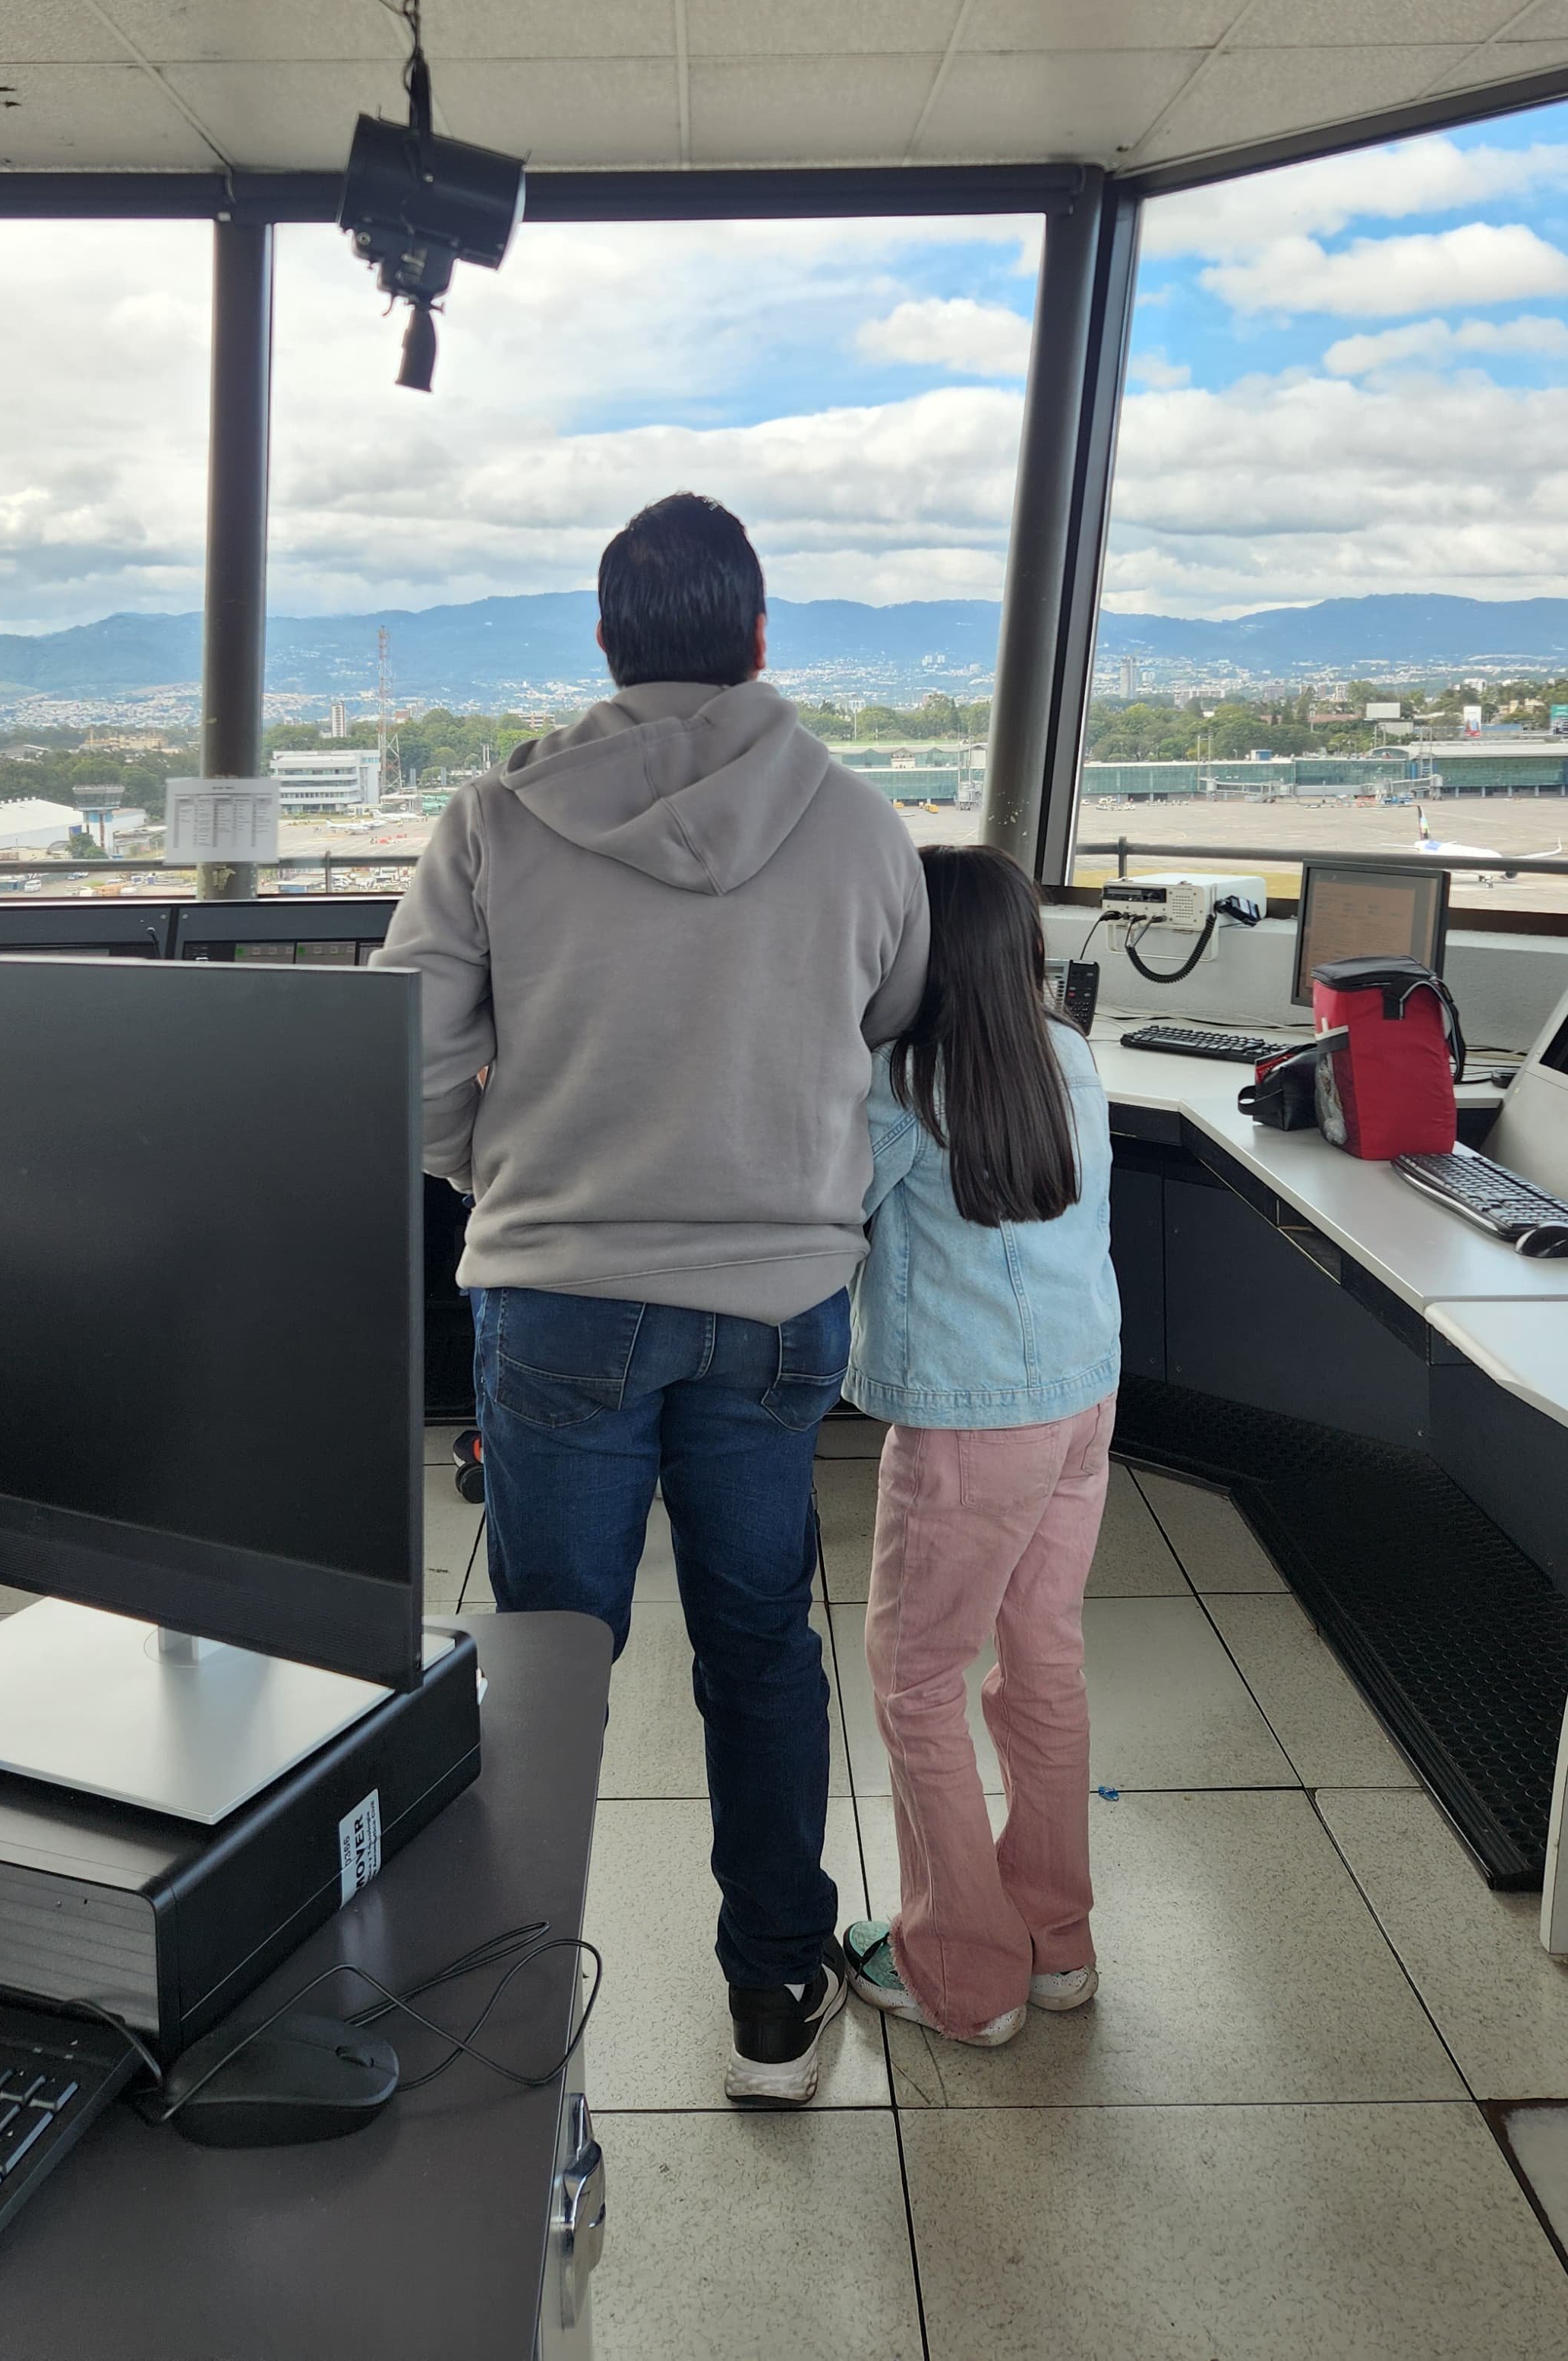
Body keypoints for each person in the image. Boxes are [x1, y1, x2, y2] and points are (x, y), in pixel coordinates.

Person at [380, 492, 928, 2102]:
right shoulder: (859, 822)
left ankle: (506, 2018)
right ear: (760, 638)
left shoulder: (494, 817)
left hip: (558, 1297)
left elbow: (402, 1061)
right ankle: (770, 1996)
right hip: (775, 1306)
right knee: (760, 1644)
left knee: (551, 1656)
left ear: (607, 644)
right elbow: (890, 1024)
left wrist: (506, 1176)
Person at [841, 844, 1121, 2046]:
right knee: (1041, 1659)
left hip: (971, 1425)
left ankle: (963, 1971)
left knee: (912, 1683)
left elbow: (820, 1201)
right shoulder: (1066, 1052)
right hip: (1082, 1403)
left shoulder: (902, 1077)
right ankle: (1057, 1943)